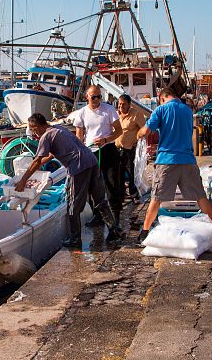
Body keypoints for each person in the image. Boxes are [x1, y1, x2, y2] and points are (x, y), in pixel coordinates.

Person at [15, 113, 122, 247]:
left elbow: (36, 161)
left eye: (33, 130)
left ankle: (75, 239)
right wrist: (39, 166)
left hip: (78, 167)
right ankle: (114, 231)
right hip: (91, 161)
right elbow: (50, 155)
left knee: (72, 205)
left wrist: (23, 180)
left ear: (36, 126)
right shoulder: (59, 129)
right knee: (100, 200)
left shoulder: (46, 136)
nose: (34, 134)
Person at [136, 87, 212, 243]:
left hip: (167, 161)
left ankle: (145, 232)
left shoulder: (160, 110)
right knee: (201, 197)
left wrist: (138, 133)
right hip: (188, 160)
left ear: (162, 98)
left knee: (157, 198)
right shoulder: (187, 111)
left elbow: (146, 131)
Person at [72, 85, 123, 229]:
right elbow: (79, 136)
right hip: (90, 151)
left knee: (111, 183)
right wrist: (79, 153)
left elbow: (119, 130)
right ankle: (97, 215)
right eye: (93, 97)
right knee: (92, 185)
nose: (96, 99)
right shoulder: (81, 113)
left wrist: (106, 140)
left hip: (107, 149)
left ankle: (116, 216)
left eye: (99, 96)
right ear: (86, 97)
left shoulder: (109, 109)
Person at [115, 94, 146, 204]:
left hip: (130, 149)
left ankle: (134, 195)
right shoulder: (115, 114)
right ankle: (121, 195)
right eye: (119, 104)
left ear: (129, 104)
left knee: (132, 172)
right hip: (117, 148)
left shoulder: (136, 114)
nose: (121, 106)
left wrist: (137, 140)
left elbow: (144, 129)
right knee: (118, 173)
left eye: (123, 104)